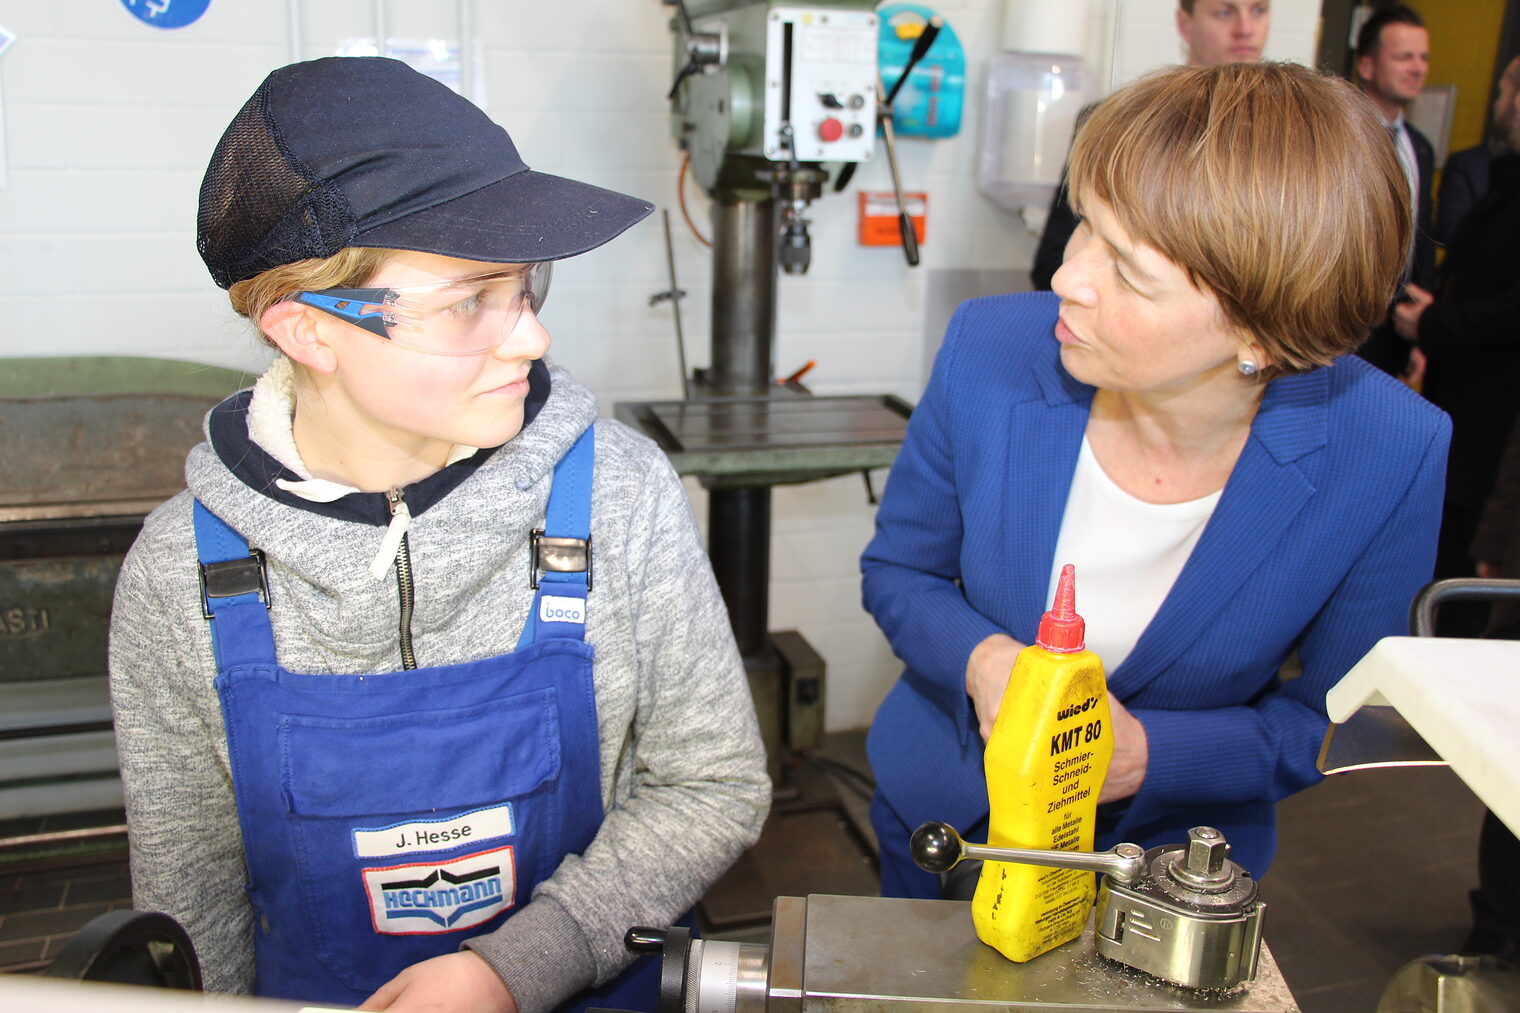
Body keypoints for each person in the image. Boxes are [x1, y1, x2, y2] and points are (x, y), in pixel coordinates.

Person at [107, 57, 770, 1013]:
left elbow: (713, 783)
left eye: (523, 285)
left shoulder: (617, 494)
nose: (531, 339)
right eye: (468, 302)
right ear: (309, 331)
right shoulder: (184, 576)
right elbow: (192, 897)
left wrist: (520, 964)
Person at [862, 61, 1449, 898]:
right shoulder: (992, 349)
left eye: (1130, 272)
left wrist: (1154, 755)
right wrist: (984, 659)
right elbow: (899, 571)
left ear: (1262, 331)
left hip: (1167, 870)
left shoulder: (1389, 449)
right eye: (1084, 225)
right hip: (948, 823)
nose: (1069, 278)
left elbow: (1336, 719)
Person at [1396, 54, 1520, 634]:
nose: (1497, 103)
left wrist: (1435, 325)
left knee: (1463, 594)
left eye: (1505, 92)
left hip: (1492, 430)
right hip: (1467, 419)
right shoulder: (1501, 175)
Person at [1030, 0, 1270, 291]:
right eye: (1224, 12)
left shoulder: (1285, 139)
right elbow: (1052, 263)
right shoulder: (1120, 125)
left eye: (1258, 10)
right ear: (1185, 23)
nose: (1245, 29)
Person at [1351, 4, 1437, 380]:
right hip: (1341, 326)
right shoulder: (1338, 138)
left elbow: (1423, 239)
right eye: (1404, 57)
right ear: (1368, 67)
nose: (1418, 68)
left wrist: (1424, 334)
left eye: (1422, 57)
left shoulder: (1420, 147)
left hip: (1396, 331)